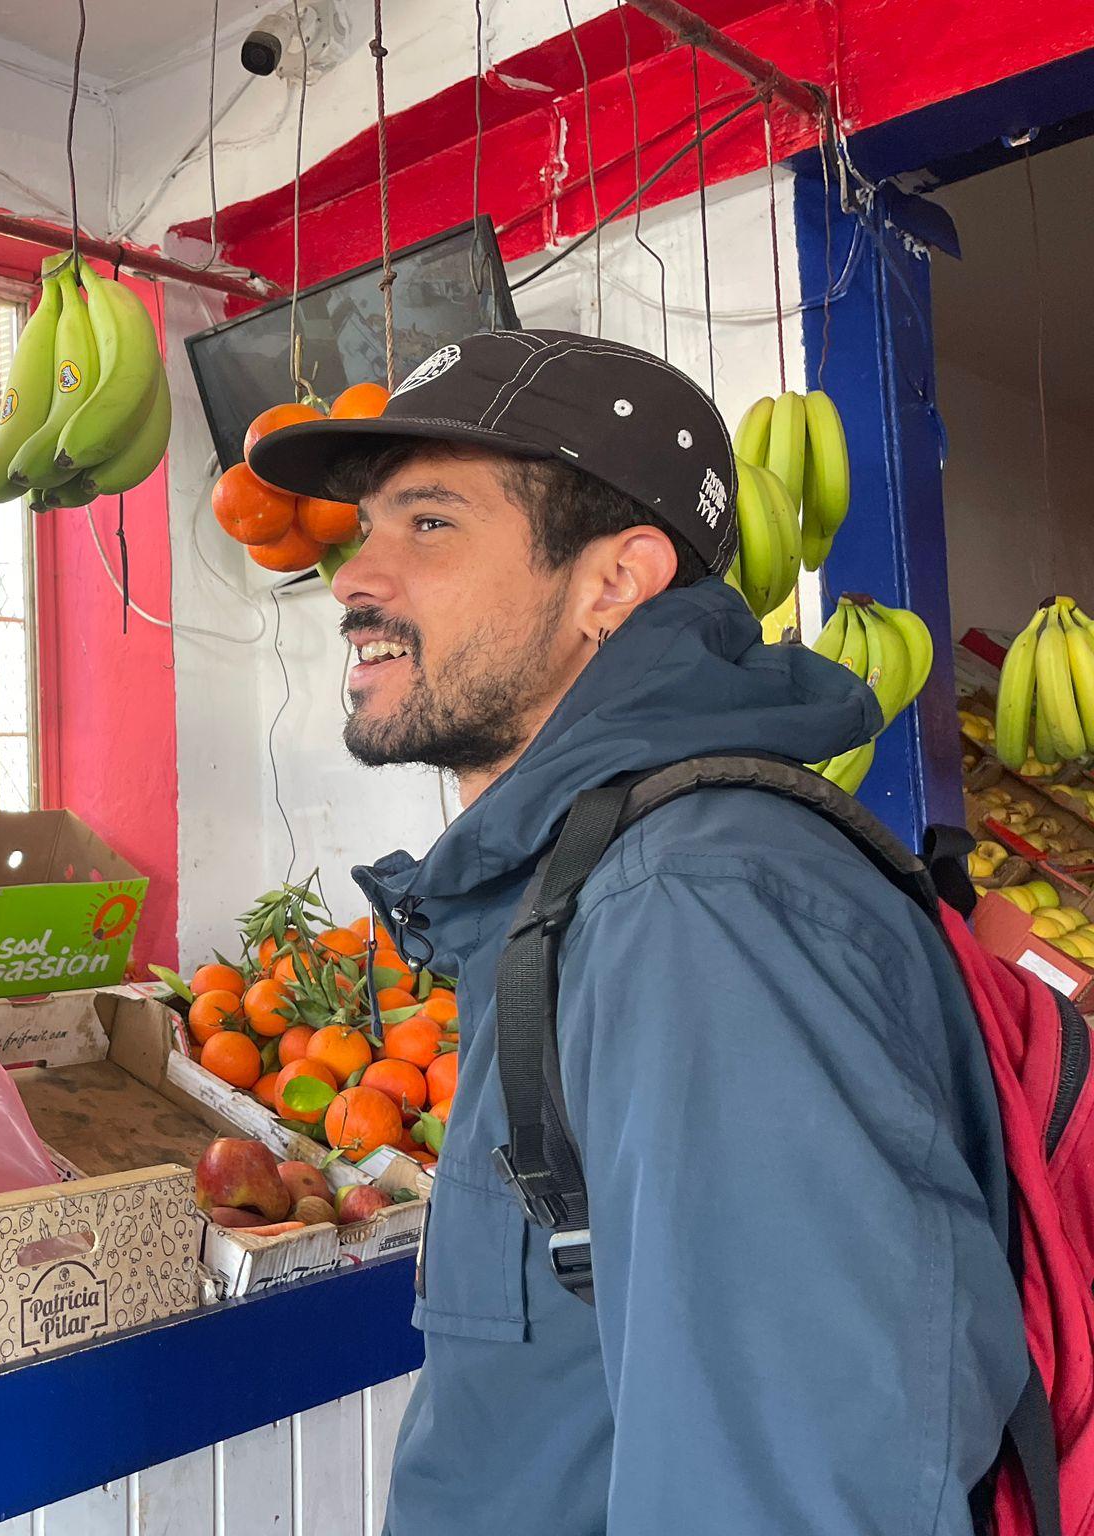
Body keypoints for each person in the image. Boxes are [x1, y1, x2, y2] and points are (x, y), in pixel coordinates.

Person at [249, 330, 1027, 1535]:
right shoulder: (595, 882)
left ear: (611, 583)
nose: (357, 577)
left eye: (429, 524)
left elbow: (793, 1490)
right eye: (365, 531)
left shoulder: (693, 907)